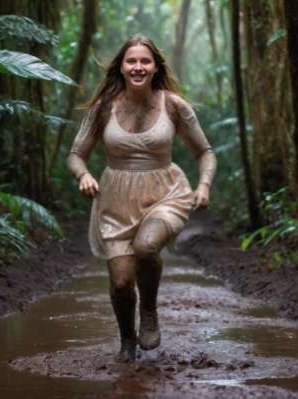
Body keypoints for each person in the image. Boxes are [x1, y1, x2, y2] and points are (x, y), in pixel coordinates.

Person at [67, 34, 217, 363]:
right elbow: (76, 155)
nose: (138, 66)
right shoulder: (102, 108)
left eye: (144, 61)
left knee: (147, 246)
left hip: (166, 192)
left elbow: (204, 152)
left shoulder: (174, 105)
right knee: (121, 284)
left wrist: (203, 185)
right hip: (115, 201)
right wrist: (84, 175)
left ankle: (148, 309)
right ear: (121, 67)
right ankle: (126, 341)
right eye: (131, 61)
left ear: (155, 67)